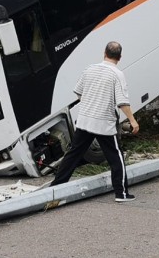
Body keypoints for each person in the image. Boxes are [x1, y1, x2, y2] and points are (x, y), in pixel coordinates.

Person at [49, 41, 140, 202]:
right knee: (116, 157)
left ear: (104, 53)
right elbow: (122, 102)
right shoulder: (117, 74)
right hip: (104, 123)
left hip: (85, 120)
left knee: (73, 154)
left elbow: (78, 92)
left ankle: (55, 187)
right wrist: (133, 121)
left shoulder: (89, 69)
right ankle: (122, 194)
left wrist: (91, 103)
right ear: (119, 57)